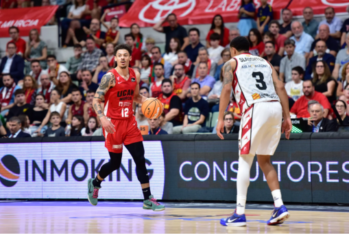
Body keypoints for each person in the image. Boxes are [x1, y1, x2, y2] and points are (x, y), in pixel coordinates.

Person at [217, 36, 292, 227]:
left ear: (233, 50)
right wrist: (287, 117)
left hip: (254, 107)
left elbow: (226, 90)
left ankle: (239, 213)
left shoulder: (230, 64)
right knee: (265, 160)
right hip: (274, 107)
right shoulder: (265, 62)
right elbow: (281, 86)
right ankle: (279, 205)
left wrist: (219, 118)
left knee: (245, 159)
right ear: (248, 49)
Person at [88, 44, 165, 210]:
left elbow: (135, 96)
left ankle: (147, 199)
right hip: (112, 124)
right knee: (115, 163)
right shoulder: (109, 77)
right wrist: (102, 118)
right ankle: (95, 182)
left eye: (125, 55)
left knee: (140, 159)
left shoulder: (135, 74)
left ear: (130, 58)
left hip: (129, 123)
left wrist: (150, 102)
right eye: (119, 55)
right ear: (115, 58)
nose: (122, 58)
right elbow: (96, 100)